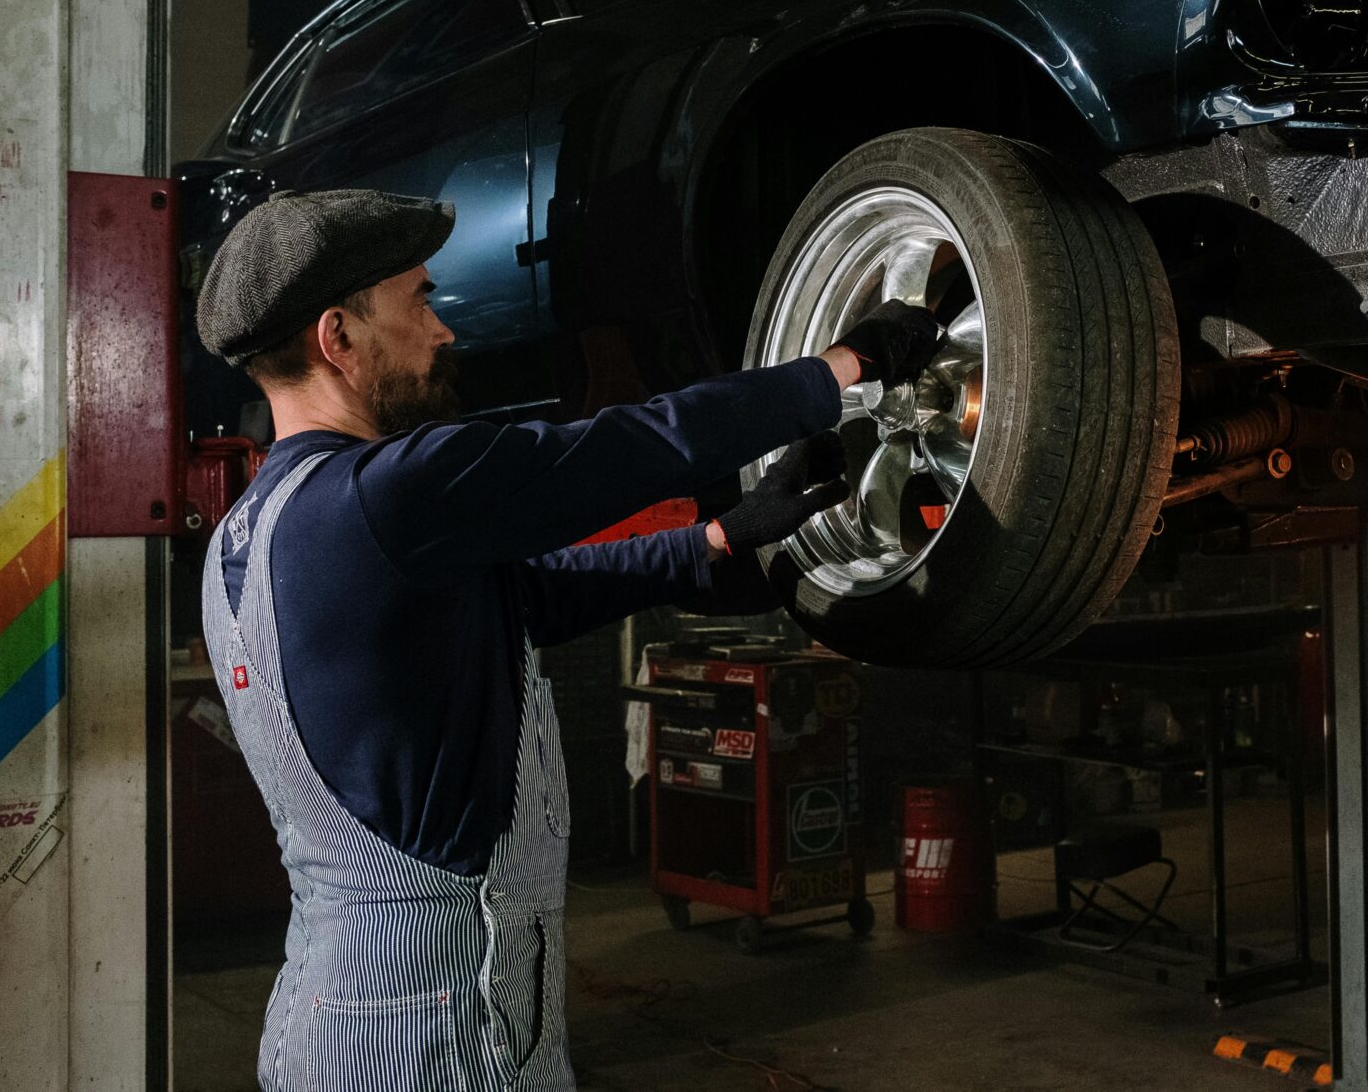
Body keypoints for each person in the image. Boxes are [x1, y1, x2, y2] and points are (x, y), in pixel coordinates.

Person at [193, 187, 942, 1092]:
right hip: (431, 1039)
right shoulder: (387, 493)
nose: (445, 333)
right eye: (422, 300)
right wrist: (843, 366)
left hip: (335, 1017)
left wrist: (719, 541)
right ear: (337, 337)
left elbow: (516, 606)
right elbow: (627, 447)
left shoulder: (256, 527)